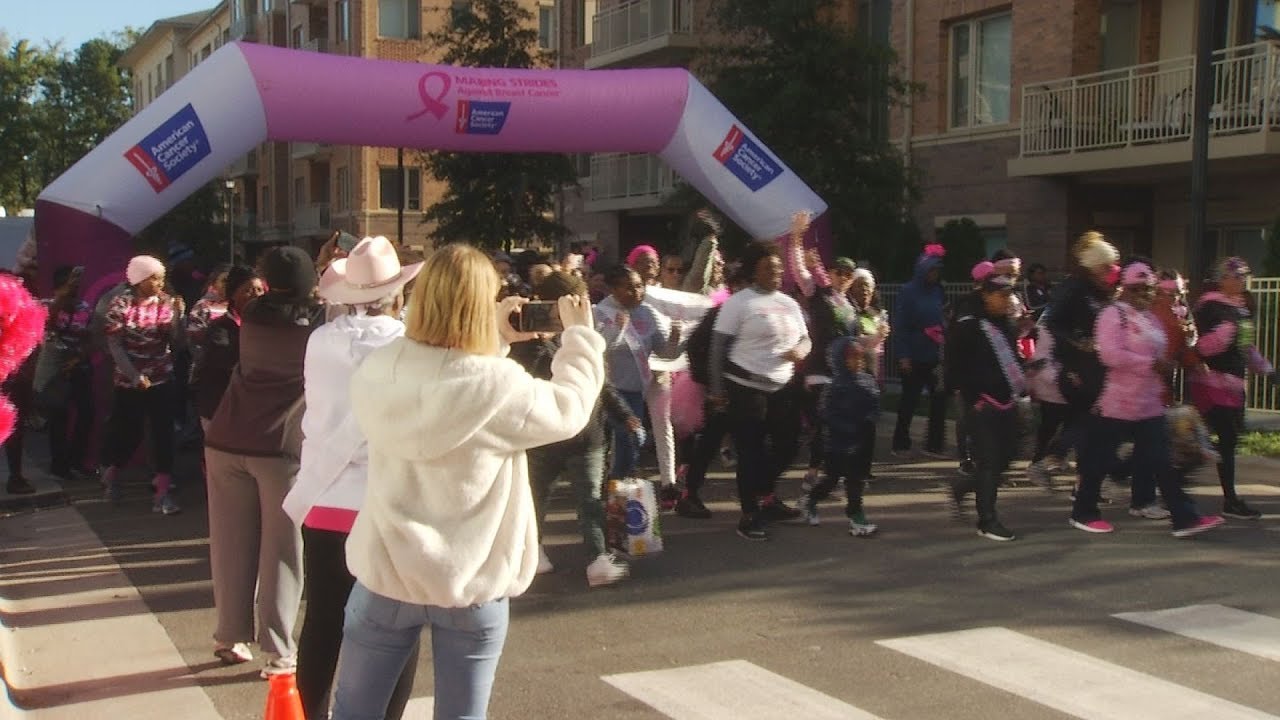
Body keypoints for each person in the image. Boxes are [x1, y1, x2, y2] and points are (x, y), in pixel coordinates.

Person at [328, 244, 604, 720]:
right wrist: (580, 337)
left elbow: (442, 384)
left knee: (354, 710)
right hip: (471, 580)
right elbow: (571, 407)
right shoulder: (498, 386)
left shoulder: (377, 368)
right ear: (482, 304)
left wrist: (493, 341)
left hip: (388, 573)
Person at [281, 237, 422, 720]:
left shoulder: (321, 341)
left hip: (324, 495)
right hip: (384, 501)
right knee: (397, 626)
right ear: (396, 292)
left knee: (322, 621)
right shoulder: (407, 345)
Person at [204, 246, 325, 676]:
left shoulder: (252, 314)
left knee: (230, 544)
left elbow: (295, 296)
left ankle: (229, 636)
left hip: (226, 436)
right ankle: (278, 650)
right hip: (279, 446)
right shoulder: (318, 325)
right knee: (281, 550)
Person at [1071, 259, 1223, 538]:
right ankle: (1084, 512)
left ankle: (1184, 518)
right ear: (1126, 289)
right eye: (1139, 289)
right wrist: (1150, 364)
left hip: (1149, 403)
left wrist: (1168, 360)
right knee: (1099, 461)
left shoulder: (1151, 317)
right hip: (1116, 403)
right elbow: (1110, 355)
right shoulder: (1112, 315)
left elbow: (1162, 350)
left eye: (1149, 289)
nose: (1146, 294)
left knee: (1163, 461)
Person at [512, 271, 639, 587]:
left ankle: (597, 558)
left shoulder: (584, 334)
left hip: (577, 435)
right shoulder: (529, 339)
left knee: (589, 500)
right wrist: (533, 342)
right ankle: (536, 552)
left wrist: (624, 415)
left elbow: (601, 383)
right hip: (553, 433)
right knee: (537, 498)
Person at [709, 240, 811, 541]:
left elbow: (806, 339)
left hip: (783, 386)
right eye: (768, 268)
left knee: (789, 446)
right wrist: (716, 390)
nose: (775, 272)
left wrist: (801, 351)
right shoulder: (739, 303)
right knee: (751, 451)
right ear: (754, 271)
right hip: (746, 387)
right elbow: (717, 349)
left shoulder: (789, 303)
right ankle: (749, 513)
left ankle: (765, 493)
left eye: (778, 268)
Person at [1190, 257, 1278, 520]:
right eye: (1237, 275)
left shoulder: (1238, 309)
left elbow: (1245, 347)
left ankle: (1160, 479)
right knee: (1222, 439)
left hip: (1233, 384)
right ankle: (1227, 499)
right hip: (1210, 381)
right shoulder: (1210, 306)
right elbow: (1198, 344)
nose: (1242, 280)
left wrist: (1268, 370)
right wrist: (1222, 336)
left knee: (1217, 440)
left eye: (1244, 275)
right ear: (1222, 279)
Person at [943, 265, 1025, 541]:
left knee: (1008, 456)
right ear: (986, 295)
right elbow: (954, 365)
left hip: (1006, 399)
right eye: (1001, 295)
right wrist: (971, 397)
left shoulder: (1006, 325)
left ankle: (963, 487)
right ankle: (987, 520)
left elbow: (1011, 359)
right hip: (980, 403)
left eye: (1008, 295)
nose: (1006, 300)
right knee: (989, 461)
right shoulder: (968, 324)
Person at [100, 255, 185, 515]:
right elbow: (115, 345)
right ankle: (112, 474)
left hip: (161, 377)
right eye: (154, 278)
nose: (160, 283)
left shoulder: (166, 304)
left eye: (161, 278)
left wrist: (177, 319)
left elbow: (176, 342)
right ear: (139, 280)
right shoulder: (120, 305)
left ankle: (162, 492)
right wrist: (135, 376)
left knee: (163, 434)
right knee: (129, 432)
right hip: (130, 381)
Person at [782, 212, 858, 493]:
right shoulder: (817, 293)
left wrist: (875, 340)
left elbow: (856, 341)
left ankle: (827, 475)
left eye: (849, 274)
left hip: (842, 374)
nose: (844, 278)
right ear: (832, 272)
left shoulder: (849, 305)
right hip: (818, 372)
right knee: (824, 423)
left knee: (837, 427)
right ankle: (814, 473)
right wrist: (798, 236)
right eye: (839, 272)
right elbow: (798, 267)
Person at [594, 266, 679, 481]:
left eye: (640, 286)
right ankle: (617, 481)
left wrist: (676, 339)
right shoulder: (600, 312)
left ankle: (618, 483)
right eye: (629, 287)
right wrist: (619, 329)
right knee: (626, 437)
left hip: (635, 389)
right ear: (613, 289)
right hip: (608, 390)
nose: (637, 292)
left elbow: (664, 352)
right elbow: (599, 346)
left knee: (634, 439)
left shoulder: (647, 313)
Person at [800, 335, 880, 535]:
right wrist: (845, 427)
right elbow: (826, 414)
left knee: (856, 479)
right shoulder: (835, 386)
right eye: (852, 358)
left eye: (860, 357)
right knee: (832, 480)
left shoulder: (868, 381)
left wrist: (870, 418)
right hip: (838, 443)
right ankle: (811, 500)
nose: (858, 362)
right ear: (839, 360)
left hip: (862, 440)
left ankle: (856, 516)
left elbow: (875, 403)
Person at [35, 265, 94, 481]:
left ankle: (76, 459)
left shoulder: (84, 307)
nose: (76, 288)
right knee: (59, 417)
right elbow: (47, 326)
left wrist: (78, 358)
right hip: (54, 368)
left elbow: (90, 336)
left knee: (87, 412)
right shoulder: (46, 305)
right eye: (71, 283)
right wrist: (62, 299)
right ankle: (59, 465)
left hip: (78, 365)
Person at [190, 266, 265, 430]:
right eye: (248, 290)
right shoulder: (219, 328)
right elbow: (229, 359)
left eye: (260, 289)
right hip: (220, 408)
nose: (256, 295)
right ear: (233, 294)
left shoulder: (267, 326)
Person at [891, 244, 948, 457]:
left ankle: (934, 444)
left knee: (939, 398)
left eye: (937, 271)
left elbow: (941, 315)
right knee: (910, 400)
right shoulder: (908, 291)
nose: (935, 275)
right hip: (914, 354)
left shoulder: (937, 291)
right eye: (932, 270)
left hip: (934, 353)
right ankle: (900, 443)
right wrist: (903, 355)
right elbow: (901, 325)